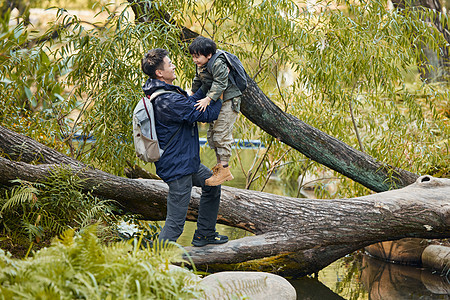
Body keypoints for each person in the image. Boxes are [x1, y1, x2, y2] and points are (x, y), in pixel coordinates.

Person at [141, 48, 228, 247]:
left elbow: (191, 102)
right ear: (159, 73)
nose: (173, 65)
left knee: (213, 185)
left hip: (187, 163)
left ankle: (204, 234)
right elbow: (204, 114)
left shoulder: (166, 93)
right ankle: (153, 265)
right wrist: (220, 94)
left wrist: (207, 89)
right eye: (169, 64)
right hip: (178, 168)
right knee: (175, 224)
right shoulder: (167, 100)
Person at [189, 36, 242, 186]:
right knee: (212, 135)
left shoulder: (218, 63)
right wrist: (192, 95)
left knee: (221, 134)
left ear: (209, 55)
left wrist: (208, 99)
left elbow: (220, 83)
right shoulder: (201, 65)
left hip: (229, 101)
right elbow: (197, 80)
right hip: (218, 100)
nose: (195, 60)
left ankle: (224, 169)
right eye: (193, 56)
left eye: (197, 56)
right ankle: (220, 169)